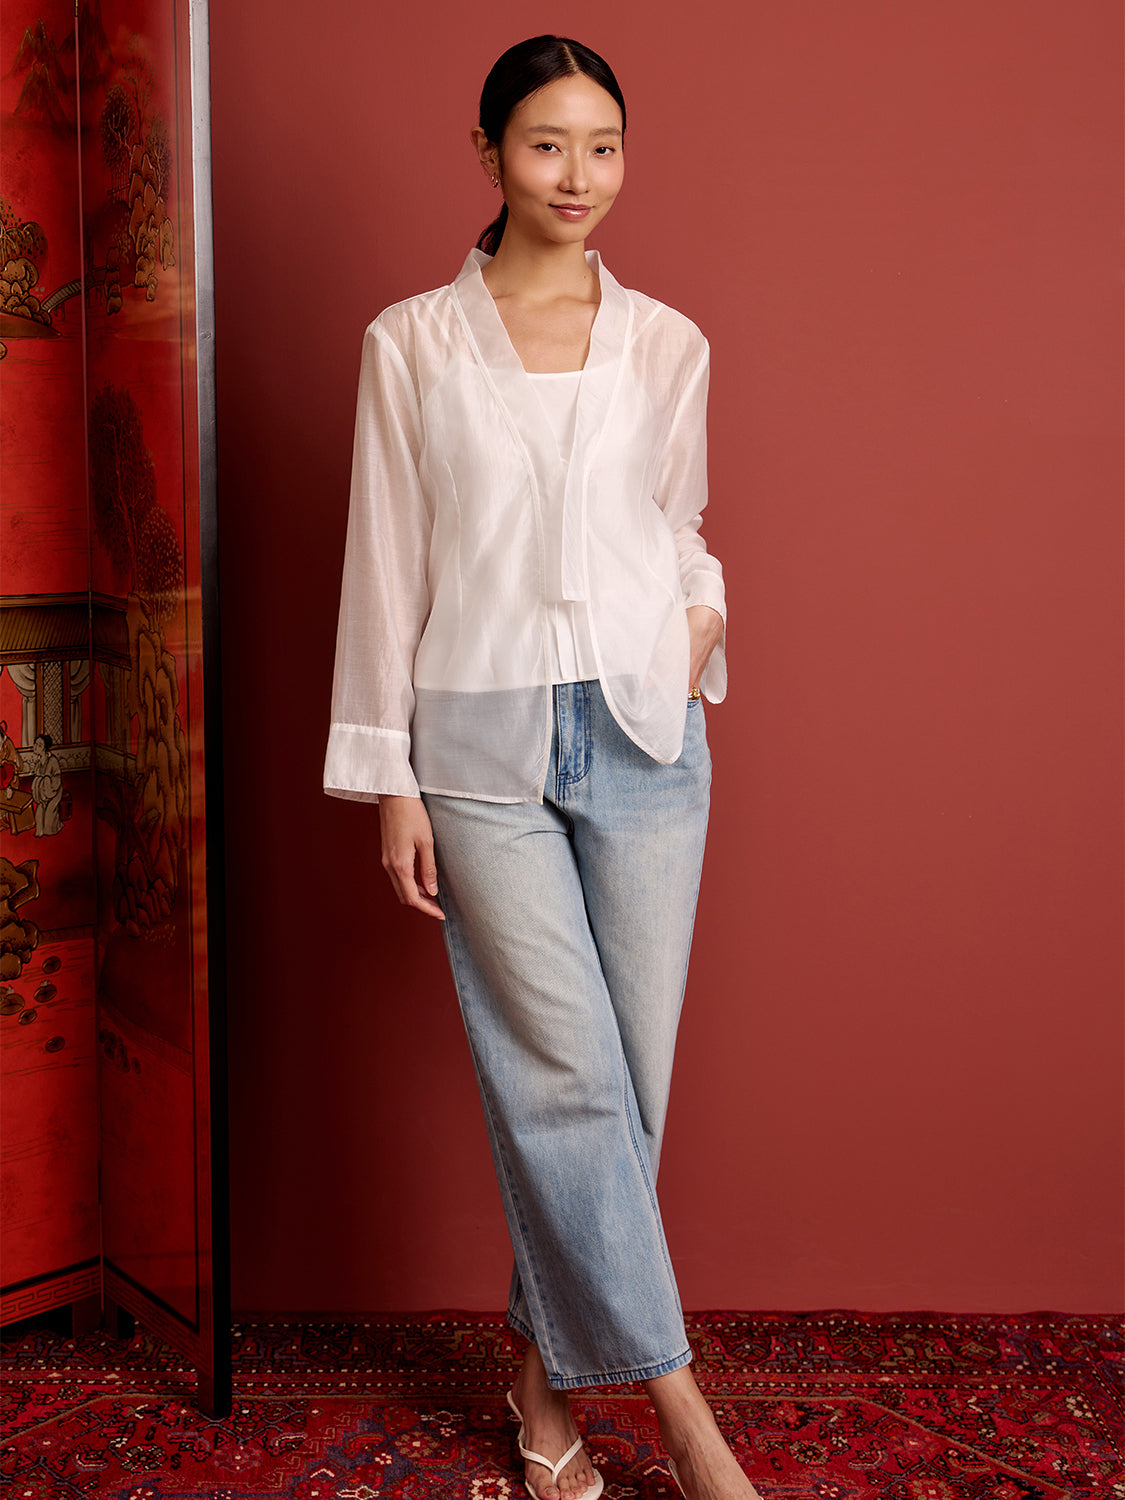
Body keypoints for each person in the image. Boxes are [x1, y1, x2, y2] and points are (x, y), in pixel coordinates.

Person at [325, 36, 759, 1500]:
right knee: (563, 1076)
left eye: (604, 146)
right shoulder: (412, 345)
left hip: (646, 735)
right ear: (489, 152)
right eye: (547, 144)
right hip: (480, 744)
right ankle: (685, 1419)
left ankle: (542, 1385)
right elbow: (387, 562)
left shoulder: (668, 344)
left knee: (625, 1091)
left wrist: (700, 623)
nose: (580, 176)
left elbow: (678, 527)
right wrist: (390, 775)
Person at [31, 733, 62, 837]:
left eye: (39, 745)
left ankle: (52, 828)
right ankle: (39, 830)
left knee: (49, 815)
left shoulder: (52, 760)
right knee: (40, 809)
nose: (36, 747)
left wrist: (49, 788)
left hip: (54, 790)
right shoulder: (39, 761)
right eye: (35, 744)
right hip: (43, 792)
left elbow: (57, 778)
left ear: (45, 748)